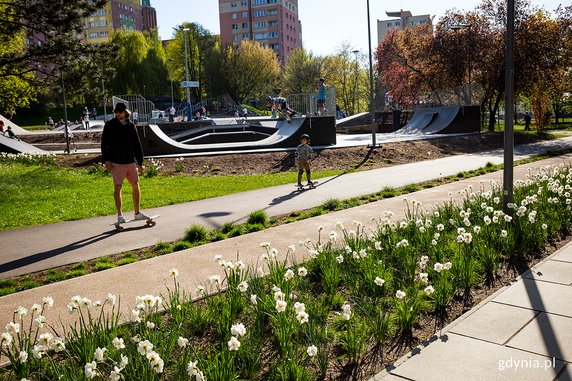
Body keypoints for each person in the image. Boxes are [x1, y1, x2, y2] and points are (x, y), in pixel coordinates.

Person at [101, 102, 150, 224]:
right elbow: (104, 143)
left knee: (135, 185)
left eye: (120, 112)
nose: (118, 114)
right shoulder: (110, 125)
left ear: (125, 112)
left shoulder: (131, 125)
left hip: (130, 162)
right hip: (116, 162)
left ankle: (137, 213)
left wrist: (140, 162)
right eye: (116, 112)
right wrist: (106, 159)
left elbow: (137, 145)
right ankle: (120, 215)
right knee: (118, 187)